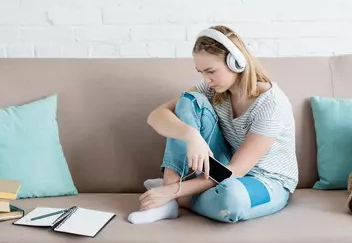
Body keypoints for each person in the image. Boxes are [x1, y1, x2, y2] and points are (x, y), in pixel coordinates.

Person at [127, 25, 299, 224]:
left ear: (236, 62)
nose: (206, 80)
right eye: (201, 72)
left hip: (266, 181)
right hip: (223, 169)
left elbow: (236, 170)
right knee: (189, 99)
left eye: (211, 71)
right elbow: (156, 116)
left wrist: (172, 191)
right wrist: (190, 134)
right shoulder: (213, 89)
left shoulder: (271, 103)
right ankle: (170, 196)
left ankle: (173, 196)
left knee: (233, 200)